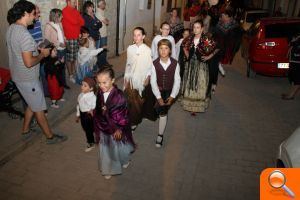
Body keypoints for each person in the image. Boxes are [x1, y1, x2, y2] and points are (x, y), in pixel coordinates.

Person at [6, 0, 67, 144]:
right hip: (27, 78)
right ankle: (50, 137)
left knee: (32, 103)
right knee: (39, 107)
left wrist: (37, 48)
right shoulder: (24, 34)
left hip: (18, 75)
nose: (35, 17)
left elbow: (21, 51)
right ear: (25, 13)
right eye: (34, 14)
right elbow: (29, 62)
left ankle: (25, 129)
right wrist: (43, 54)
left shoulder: (11, 28)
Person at [94, 67, 136, 180]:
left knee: (119, 147)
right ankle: (107, 168)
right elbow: (98, 107)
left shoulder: (119, 96)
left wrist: (119, 129)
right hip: (103, 127)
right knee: (106, 149)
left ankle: (125, 159)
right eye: (99, 83)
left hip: (116, 128)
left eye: (104, 82)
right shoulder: (99, 92)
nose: (101, 86)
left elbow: (124, 115)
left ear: (112, 80)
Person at [181, 20, 218, 115]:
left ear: (202, 29)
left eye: (198, 27)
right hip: (190, 66)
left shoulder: (206, 39)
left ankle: (197, 107)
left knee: (200, 85)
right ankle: (190, 106)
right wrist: (187, 54)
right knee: (190, 85)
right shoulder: (190, 38)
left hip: (201, 66)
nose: (195, 29)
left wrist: (208, 56)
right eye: (194, 27)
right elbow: (184, 45)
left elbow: (217, 48)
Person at [150, 39, 181, 148]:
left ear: (170, 50)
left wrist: (172, 96)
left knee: (163, 112)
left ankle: (160, 135)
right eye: (161, 49)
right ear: (158, 50)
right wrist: (158, 97)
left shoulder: (175, 64)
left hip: (169, 91)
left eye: (166, 48)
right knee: (158, 108)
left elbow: (177, 81)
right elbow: (153, 81)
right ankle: (158, 110)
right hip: (157, 91)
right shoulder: (154, 64)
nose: (163, 51)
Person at [123, 27, 152, 130]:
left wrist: (148, 77)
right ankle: (133, 121)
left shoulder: (148, 50)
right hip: (131, 78)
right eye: (134, 35)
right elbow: (128, 64)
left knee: (139, 100)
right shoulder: (130, 48)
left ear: (143, 36)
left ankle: (138, 117)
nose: (136, 37)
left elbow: (149, 66)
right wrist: (126, 78)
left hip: (141, 79)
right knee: (131, 100)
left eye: (138, 35)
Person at [44, 8, 70, 89]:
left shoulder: (60, 23)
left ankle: (63, 84)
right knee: (57, 69)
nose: (62, 17)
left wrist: (65, 40)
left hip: (63, 49)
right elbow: (47, 40)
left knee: (63, 67)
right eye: (60, 15)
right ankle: (58, 86)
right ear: (55, 16)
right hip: (56, 50)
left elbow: (62, 34)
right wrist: (59, 43)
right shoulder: (48, 26)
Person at [62, 0, 85, 83]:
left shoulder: (75, 11)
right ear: (68, 2)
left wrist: (77, 22)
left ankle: (74, 73)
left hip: (77, 37)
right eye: (73, 2)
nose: (75, 3)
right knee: (70, 59)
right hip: (69, 38)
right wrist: (77, 21)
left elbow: (82, 22)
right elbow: (75, 21)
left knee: (75, 57)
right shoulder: (64, 11)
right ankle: (70, 75)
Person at [76, 77, 96, 152]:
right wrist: (78, 114)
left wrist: (91, 109)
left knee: (89, 130)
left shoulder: (92, 97)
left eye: (85, 86)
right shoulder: (80, 95)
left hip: (89, 115)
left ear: (91, 88)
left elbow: (94, 105)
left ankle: (91, 143)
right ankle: (94, 136)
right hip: (82, 114)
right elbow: (78, 105)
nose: (82, 87)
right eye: (82, 85)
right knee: (85, 127)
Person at [282, 33, 300, 100]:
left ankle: (291, 95)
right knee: (293, 80)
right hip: (293, 63)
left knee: (297, 81)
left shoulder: (297, 42)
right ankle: (290, 93)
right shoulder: (294, 43)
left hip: (297, 64)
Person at [96, 0, 112, 67]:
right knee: (102, 50)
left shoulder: (102, 11)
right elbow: (107, 22)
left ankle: (104, 63)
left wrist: (106, 20)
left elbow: (107, 21)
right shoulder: (98, 12)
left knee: (104, 50)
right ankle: (101, 65)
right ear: (100, 4)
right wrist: (106, 20)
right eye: (104, 4)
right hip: (101, 35)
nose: (105, 5)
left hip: (104, 34)